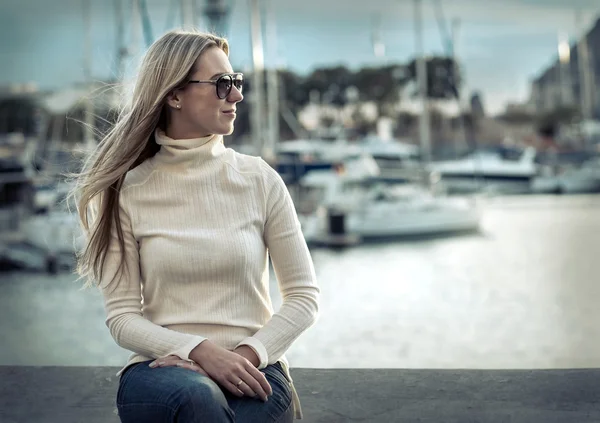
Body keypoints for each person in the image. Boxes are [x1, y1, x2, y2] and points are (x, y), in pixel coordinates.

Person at [70, 29, 319, 422]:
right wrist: (199, 351)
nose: (236, 95)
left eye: (236, 82)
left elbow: (304, 298)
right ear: (174, 95)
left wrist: (241, 358)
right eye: (222, 84)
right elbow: (121, 318)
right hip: (159, 371)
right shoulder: (126, 190)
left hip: (255, 368)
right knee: (196, 397)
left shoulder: (260, 179)